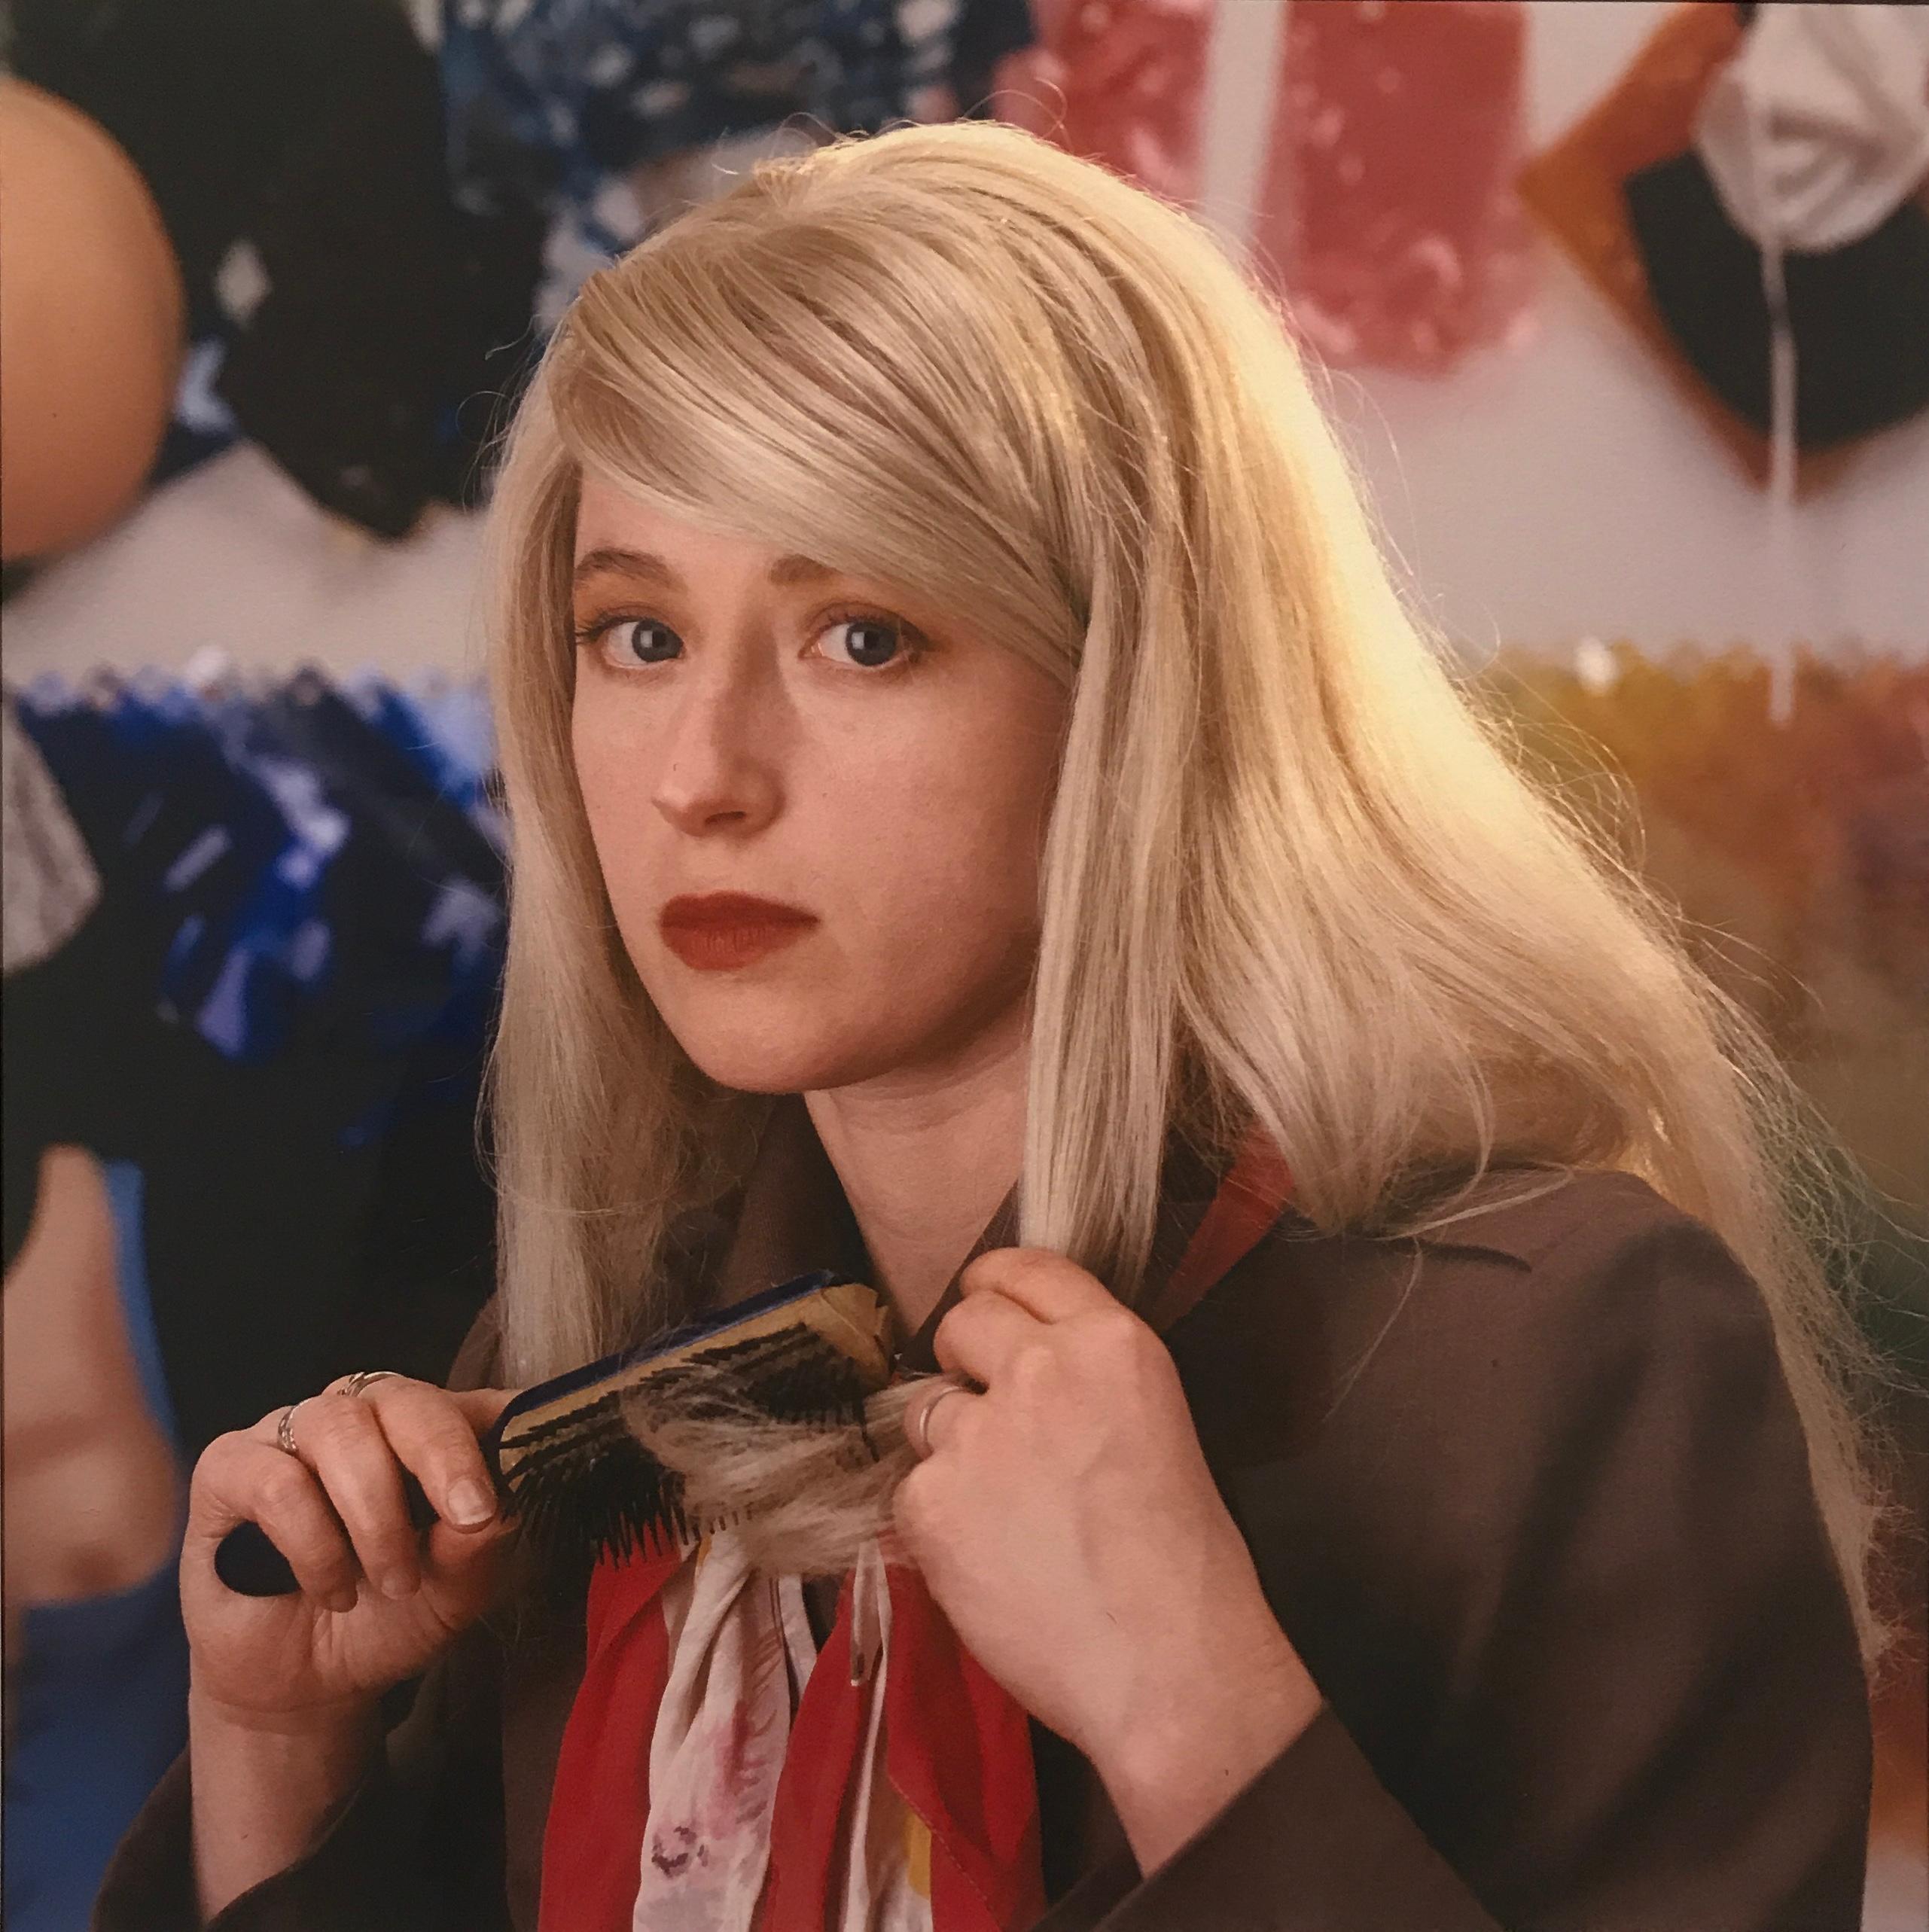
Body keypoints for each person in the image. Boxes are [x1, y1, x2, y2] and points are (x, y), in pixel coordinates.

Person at [97, 118, 1887, 1930]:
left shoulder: (1561, 1354)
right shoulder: (601, 1377)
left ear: (1141, 689)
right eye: (637, 637)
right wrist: (279, 1753)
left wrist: (1194, 1705)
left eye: (862, 637)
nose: (703, 776)